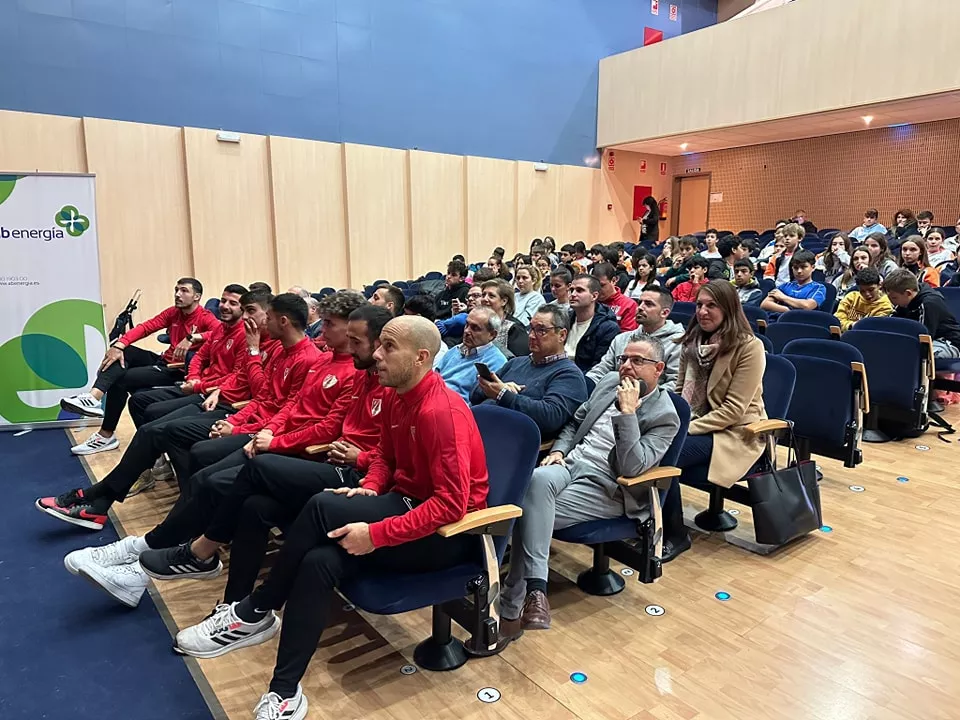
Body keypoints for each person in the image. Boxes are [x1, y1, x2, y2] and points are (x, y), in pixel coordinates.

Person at [170, 317, 489, 720]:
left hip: (447, 534)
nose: (376, 354)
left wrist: (376, 534)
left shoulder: (441, 413)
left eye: (389, 347)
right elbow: (385, 459)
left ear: (422, 357)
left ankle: (258, 608)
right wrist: (370, 487)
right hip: (404, 504)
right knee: (319, 562)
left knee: (322, 504)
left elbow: (451, 505)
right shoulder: (395, 395)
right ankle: (284, 692)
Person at [64, 305, 398, 608]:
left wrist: (270, 439)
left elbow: (334, 432)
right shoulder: (338, 365)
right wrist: (257, 429)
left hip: (311, 455)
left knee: (221, 477)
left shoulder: (356, 373)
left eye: (332, 327)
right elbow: (288, 405)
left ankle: (153, 552)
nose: (322, 332)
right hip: (278, 437)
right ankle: (206, 583)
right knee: (210, 477)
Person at [35, 289, 279, 531]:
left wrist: (228, 403)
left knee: (156, 432)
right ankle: (108, 497)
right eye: (232, 305)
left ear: (271, 317)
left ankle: (98, 497)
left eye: (249, 310)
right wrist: (201, 382)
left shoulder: (261, 345)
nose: (240, 314)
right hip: (218, 399)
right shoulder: (246, 339)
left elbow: (260, 393)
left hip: (234, 410)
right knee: (150, 424)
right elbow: (219, 368)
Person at [500, 333, 680, 635]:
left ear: (658, 369)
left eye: (638, 361)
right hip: (571, 463)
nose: (627, 367)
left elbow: (632, 466)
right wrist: (558, 451)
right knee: (537, 479)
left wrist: (628, 413)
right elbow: (574, 422)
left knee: (527, 514)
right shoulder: (609, 382)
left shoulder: (665, 416)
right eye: (624, 359)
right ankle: (535, 591)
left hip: (609, 485)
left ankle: (512, 602)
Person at [662, 280, 767, 560]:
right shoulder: (693, 343)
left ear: (729, 309)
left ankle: (674, 533)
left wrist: (683, 429)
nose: (703, 311)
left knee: (665, 453)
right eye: (699, 305)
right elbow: (678, 392)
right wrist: (668, 421)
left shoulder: (749, 347)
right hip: (698, 424)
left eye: (711, 305)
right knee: (651, 441)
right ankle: (649, 521)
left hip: (735, 433)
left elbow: (733, 410)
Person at [60, 277, 219, 455]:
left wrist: (193, 338)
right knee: (125, 353)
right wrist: (119, 345)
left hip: (176, 369)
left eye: (184, 291)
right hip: (163, 360)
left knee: (119, 379)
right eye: (176, 290)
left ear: (196, 296)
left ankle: (105, 434)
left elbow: (220, 332)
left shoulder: (205, 317)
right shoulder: (174, 312)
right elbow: (146, 327)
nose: (177, 294)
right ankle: (93, 397)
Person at [127, 284, 248, 430]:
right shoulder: (220, 329)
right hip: (197, 384)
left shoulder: (244, 335)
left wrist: (197, 386)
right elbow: (199, 357)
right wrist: (193, 378)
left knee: (153, 416)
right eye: (223, 301)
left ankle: (152, 441)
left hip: (212, 392)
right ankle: (151, 445)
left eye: (233, 303)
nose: (225, 306)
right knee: (137, 400)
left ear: (244, 309)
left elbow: (235, 376)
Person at [470, 305, 587, 441]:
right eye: (531, 328)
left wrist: (502, 395)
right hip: (477, 428)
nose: (531, 335)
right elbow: (474, 394)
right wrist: (499, 388)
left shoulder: (569, 375)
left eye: (541, 330)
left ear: (561, 335)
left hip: (507, 442)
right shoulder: (516, 362)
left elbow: (550, 417)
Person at [589, 287, 685, 391]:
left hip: (651, 402)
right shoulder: (621, 339)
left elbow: (675, 383)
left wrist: (640, 396)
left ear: (664, 313)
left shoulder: (677, 343)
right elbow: (602, 370)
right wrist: (584, 384)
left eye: (648, 304)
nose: (640, 307)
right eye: (640, 302)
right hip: (613, 396)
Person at [434, 307, 507, 401]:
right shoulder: (455, 350)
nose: (466, 331)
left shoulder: (496, 362)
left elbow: (478, 402)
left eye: (475, 328)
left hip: (455, 408)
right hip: (432, 398)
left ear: (492, 335)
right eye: (466, 325)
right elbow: (435, 377)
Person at [885, 269, 960, 358]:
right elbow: (891, 322)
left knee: (913, 355)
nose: (891, 301)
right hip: (928, 340)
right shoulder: (905, 300)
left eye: (894, 298)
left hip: (948, 342)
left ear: (908, 293)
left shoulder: (929, 304)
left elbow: (924, 337)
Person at [563, 275, 620, 374]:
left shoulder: (608, 328)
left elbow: (599, 367)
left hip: (583, 378)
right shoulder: (564, 319)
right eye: (571, 290)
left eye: (579, 290)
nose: (573, 294)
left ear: (594, 296)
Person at [760, 251, 826, 315]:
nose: (799, 271)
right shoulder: (785, 286)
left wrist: (782, 297)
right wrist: (788, 310)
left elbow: (807, 306)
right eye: (796, 268)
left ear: (813, 267)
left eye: (803, 267)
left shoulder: (818, 288)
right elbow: (765, 304)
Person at [480, 278, 530, 358]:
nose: (485, 299)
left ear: (504, 301)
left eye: (491, 296)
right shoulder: (476, 322)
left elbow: (518, 361)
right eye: (483, 295)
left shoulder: (515, 328)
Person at [592, 262, 638, 331]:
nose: (598, 290)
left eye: (602, 285)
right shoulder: (590, 301)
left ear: (614, 280)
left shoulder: (629, 305)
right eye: (595, 286)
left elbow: (627, 336)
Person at [764, 222, 804, 287]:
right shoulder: (776, 257)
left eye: (791, 236)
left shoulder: (804, 256)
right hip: (777, 288)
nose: (787, 238)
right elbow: (768, 275)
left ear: (799, 238)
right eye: (785, 236)